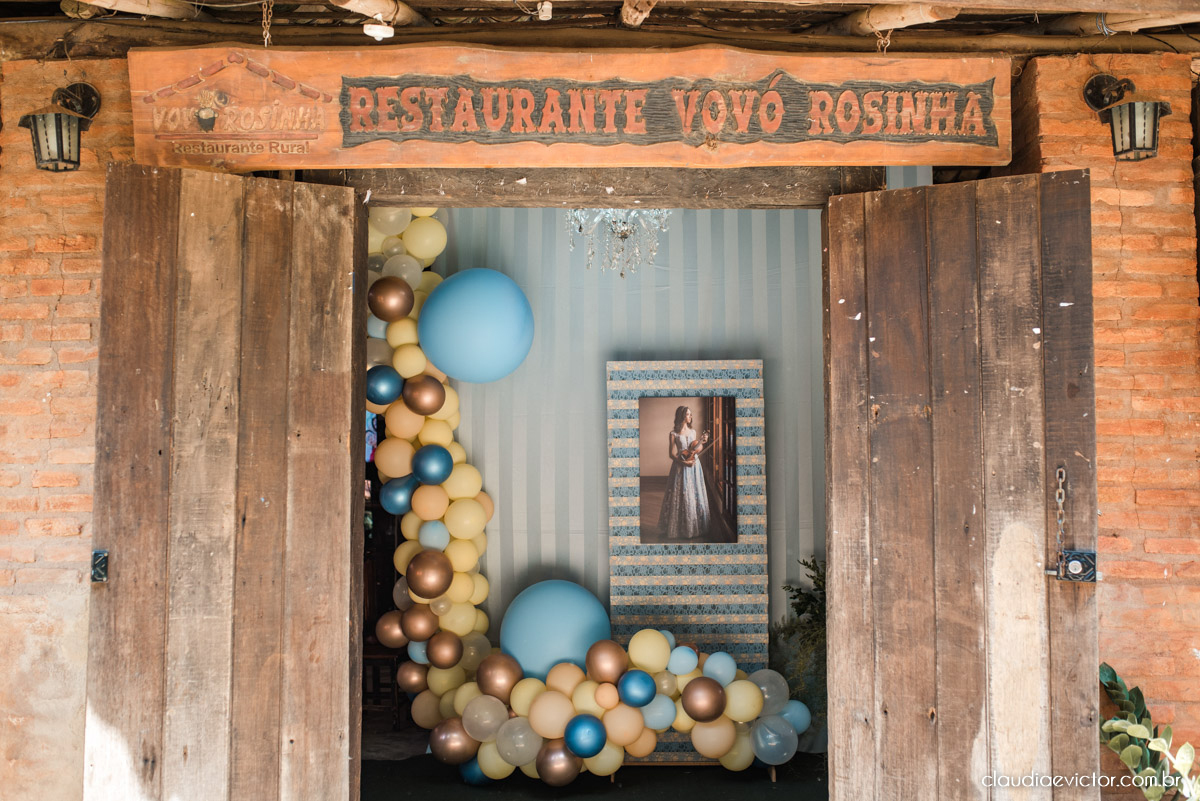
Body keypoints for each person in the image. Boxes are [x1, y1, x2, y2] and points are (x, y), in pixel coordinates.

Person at [659, 405, 711, 541]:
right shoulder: (673, 434)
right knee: (681, 493)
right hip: (680, 466)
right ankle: (679, 527)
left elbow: (696, 449)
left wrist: (702, 442)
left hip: (694, 465)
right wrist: (683, 462)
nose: (690, 417)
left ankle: (695, 526)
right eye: (688, 414)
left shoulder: (693, 432)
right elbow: (671, 454)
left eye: (691, 414)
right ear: (682, 416)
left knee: (694, 493)